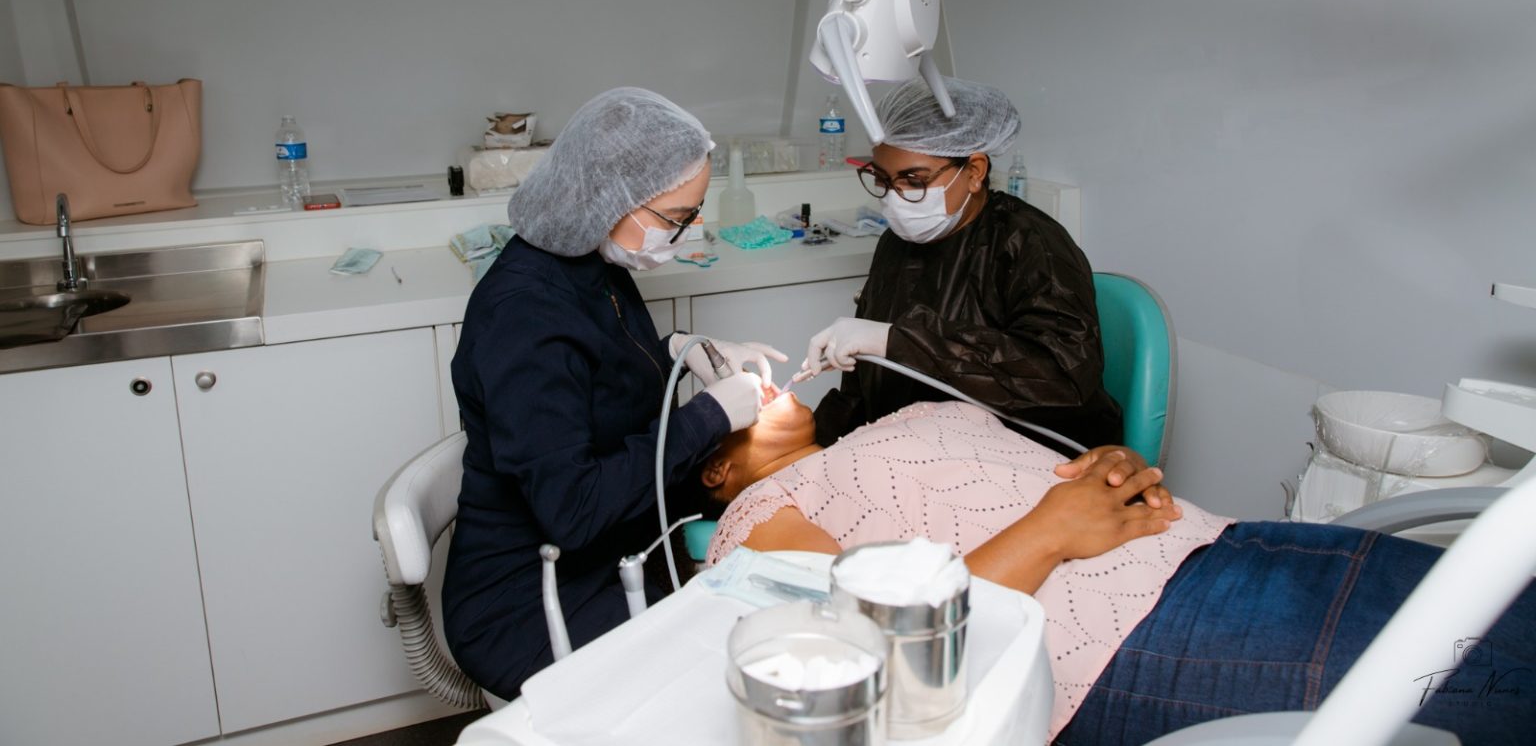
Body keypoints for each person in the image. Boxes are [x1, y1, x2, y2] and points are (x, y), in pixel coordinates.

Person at [702, 392, 1534, 745]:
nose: (768, 380)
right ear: (715, 467)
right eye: (743, 393)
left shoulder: (899, 417)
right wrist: (1050, 530)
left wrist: (1110, 466)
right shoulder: (755, 520)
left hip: (1228, 542)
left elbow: (1038, 474)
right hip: (1145, 635)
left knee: (1511, 595)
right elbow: (873, 659)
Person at [443, 87, 787, 700]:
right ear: (610, 197)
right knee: (713, 686)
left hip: (610, 557)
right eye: (676, 218)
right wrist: (709, 416)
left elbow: (595, 374)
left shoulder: (590, 264)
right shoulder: (522, 315)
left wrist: (680, 350)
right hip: (526, 600)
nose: (685, 232)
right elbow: (572, 510)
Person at [801, 77, 1121, 451]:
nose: (894, 198)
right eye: (883, 180)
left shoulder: (1030, 244)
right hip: (917, 444)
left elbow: (1058, 377)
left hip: (1022, 454)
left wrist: (898, 341)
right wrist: (814, 449)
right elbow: (866, 390)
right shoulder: (896, 243)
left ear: (974, 172)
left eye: (913, 180)